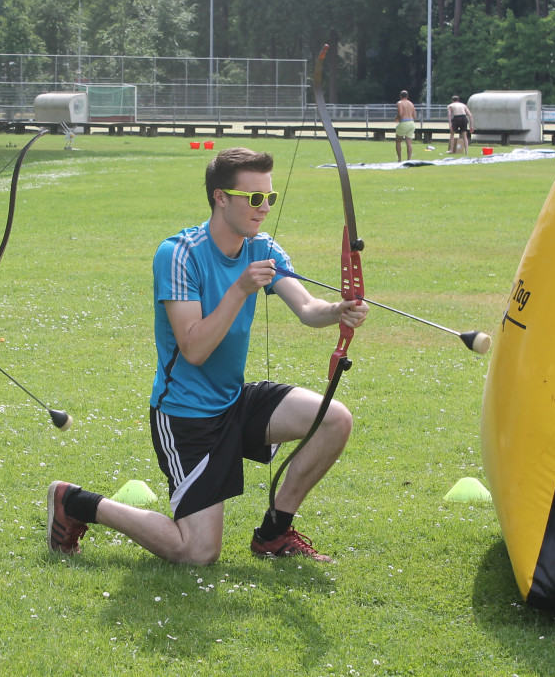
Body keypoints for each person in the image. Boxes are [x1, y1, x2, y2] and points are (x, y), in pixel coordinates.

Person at [47, 148, 368, 565]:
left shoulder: (263, 246)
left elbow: (307, 308)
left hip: (234, 400)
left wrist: (338, 311)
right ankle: (75, 502)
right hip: (187, 416)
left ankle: (274, 534)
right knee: (196, 553)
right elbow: (194, 349)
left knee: (334, 418)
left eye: (271, 198)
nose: (265, 208)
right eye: (255, 198)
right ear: (220, 197)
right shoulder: (178, 253)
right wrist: (239, 289)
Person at [394, 90, 416, 161]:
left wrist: (397, 118)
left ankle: (400, 159)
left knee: (398, 141)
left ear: (400, 96)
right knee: (409, 143)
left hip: (403, 122)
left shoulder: (399, 103)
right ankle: (409, 159)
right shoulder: (411, 103)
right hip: (411, 123)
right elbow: (414, 116)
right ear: (407, 96)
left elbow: (400, 113)